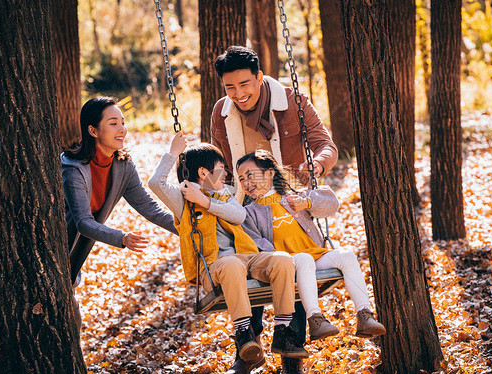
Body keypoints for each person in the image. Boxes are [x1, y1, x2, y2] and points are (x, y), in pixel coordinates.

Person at [211, 45, 338, 373]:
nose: (238, 94)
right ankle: (246, 354)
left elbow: (325, 144)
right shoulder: (221, 114)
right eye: (230, 87)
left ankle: (291, 361)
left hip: (287, 210)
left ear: (259, 77)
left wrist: (317, 167)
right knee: (247, 277)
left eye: (245, 84)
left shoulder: (292, 101)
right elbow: (220, 169)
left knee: (292, 279)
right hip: (247, 211)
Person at [148, 132, 309, 363]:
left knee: (283, 259)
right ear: (203, 173)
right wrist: (173, 153)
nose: (226, 173)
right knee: (232, 264)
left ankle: (283, 331)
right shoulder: (182, 198)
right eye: (221, 168)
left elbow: (239, 215)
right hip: (213, 267)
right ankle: (244, 333)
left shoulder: (225, 194)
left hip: (246, 258)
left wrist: (206, 202)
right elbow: (156, 183)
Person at [237, 150, 386, 341]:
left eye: (250, 175)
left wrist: (307, 203)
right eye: (241, 179)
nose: (246, 183)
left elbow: (332, 202)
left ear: (269, 173)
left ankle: (364, 315)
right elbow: (254, 241)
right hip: (288, 264)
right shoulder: (249, 212)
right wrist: (275, 255)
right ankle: (316, 319)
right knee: (304, 259)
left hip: (315, 256)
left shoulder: (293, 196)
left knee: (347, 255)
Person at [62, 97, 177, 332]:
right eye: (113, 123)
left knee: (69, 320)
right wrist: (122, 238)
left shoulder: (122, 165)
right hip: (52, 250)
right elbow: (83, 222)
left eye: (123, 122)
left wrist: (185, 228)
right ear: (93, 130)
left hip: (76, 254)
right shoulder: (73, 168)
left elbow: (149, 208)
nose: (122, 129)